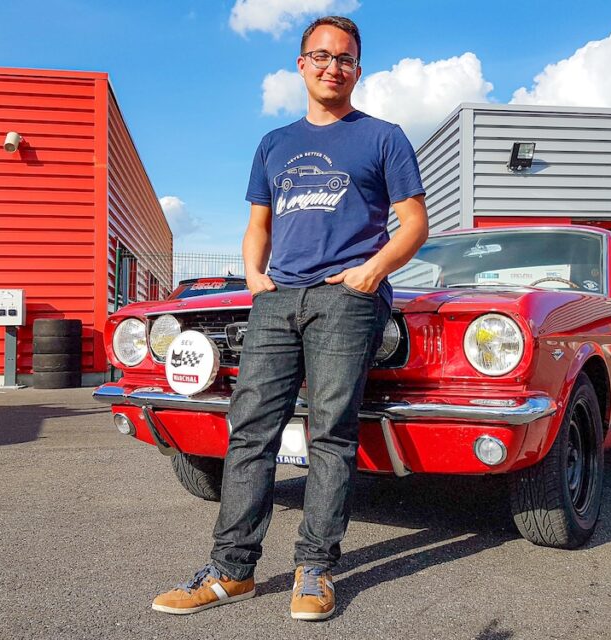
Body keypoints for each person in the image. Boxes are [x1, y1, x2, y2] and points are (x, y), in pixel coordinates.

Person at [151, 15, 428, 621]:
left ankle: (315, 570)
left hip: (346, 298)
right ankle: (231, 572)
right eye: (322, 56)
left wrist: (369, 274)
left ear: (359, 68)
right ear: (301, 64)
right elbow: (259, 223)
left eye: (346, 58)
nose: (334, 67)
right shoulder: (274, 144)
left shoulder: (383, 136)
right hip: (278, 298)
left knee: (331, 432)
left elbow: (413, 223)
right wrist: (255, 277)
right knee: (250, 431)